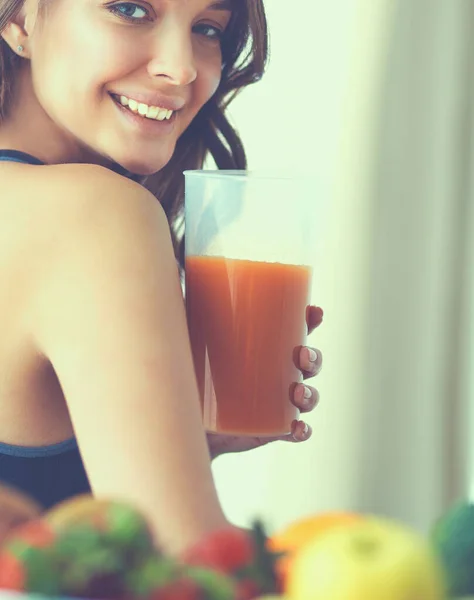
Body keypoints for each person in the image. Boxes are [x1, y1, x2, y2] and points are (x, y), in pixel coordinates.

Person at [0, 0, 323, 555]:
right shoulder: (99, 215)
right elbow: (190, 564)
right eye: (130, 9)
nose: (182, 67)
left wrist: (183, 445)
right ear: (19, 19)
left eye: (206, 28)